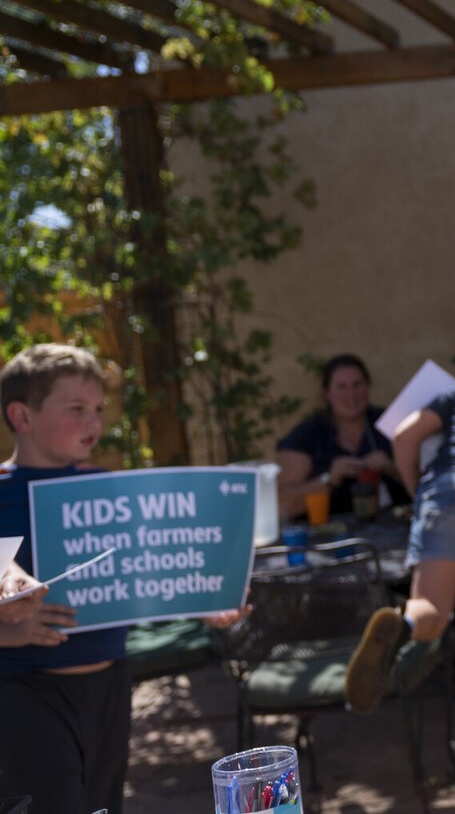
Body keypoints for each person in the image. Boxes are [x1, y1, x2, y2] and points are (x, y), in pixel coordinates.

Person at [0, 344, 245, 813]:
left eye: (98, 409)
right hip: (25, 697)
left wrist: (204, 601)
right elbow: (4, 576)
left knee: (102, 804)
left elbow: (147, 575)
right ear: (22, 416)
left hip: (111, 686)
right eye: (76, 409)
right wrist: (7, 631)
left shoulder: (107, 487)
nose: (94, 423)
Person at [341, 365, 455, 797]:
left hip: (448, 487)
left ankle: (403, 625)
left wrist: (417, 491)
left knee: (431, 609)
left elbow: (405, 435)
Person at [275, 353, 407, 519]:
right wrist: (329, 479)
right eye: (341, 387)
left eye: (357, 385)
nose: (351, 395)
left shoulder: (392, 423)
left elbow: (428, 485)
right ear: (327, 393)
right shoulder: (307, 434)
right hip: (327, 536)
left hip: (394, 528)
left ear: (367, 387)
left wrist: (392, 469)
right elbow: (282, 504)